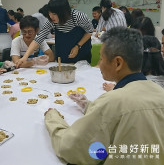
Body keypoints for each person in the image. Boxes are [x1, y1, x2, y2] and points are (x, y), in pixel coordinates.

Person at [44, 27, 164, 165]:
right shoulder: (159, 92)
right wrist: (90, 106)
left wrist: (52, 119)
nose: (99, 65)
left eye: (101, 58)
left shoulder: (113, 101)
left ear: (118, 63)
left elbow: (72, 148)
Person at [16, 0, 93, 66]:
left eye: (54, 13)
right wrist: (25, 57)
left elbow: (89, 31)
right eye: (49, 13)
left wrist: (77, 46)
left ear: (63, 12)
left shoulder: (78, 16)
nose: (51, 16)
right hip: (62, 56)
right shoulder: (51, 21)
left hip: (81, 55)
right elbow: (39, 38)